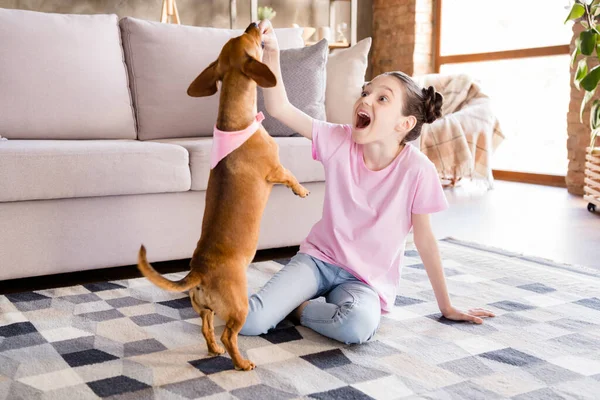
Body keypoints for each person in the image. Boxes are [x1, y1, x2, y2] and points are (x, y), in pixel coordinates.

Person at [240, 20, 495, 344]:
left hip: (364, 282)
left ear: (405, 123)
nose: (366, 100)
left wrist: (446, 306)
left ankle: (300, 310)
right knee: (250, 321)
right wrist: (272, 53)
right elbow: (279, 107)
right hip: (318, 261)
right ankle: (284, 301)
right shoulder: (338, 140)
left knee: (356, 327)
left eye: (382, 99)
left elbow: (425, 241)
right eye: (366, 92)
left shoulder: (418, 171)